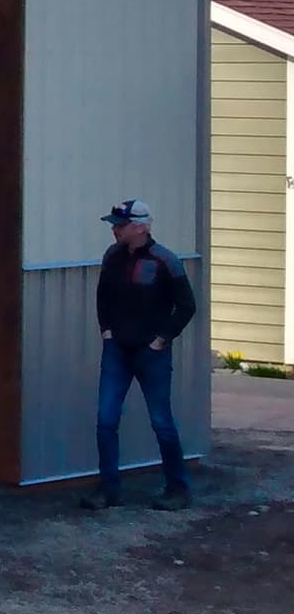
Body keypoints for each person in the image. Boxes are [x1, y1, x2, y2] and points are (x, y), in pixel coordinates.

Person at [80, 198, 197, 512]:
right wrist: (106, 330)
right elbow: (102, 295)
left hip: (151, 353)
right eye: (115, 224)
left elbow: (186, 306)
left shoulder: (164, 261)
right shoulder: (112, 257)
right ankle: (109, 488)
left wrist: (162, 339)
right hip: (117, 349)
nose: (115, 230)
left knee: (161, 422)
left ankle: (178, 488)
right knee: (106, 420)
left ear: (141, 227)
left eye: (121, 224)